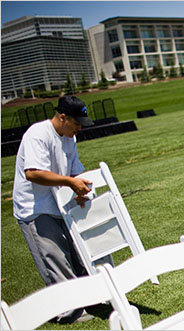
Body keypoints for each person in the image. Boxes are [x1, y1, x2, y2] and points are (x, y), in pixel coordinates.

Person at [12, 95, 95, 323]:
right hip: (35, 207)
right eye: (76, 123)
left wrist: (79, 188)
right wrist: (70, 183)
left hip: (59, 203)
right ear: (62, 117)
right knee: (55, 257)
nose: (79, 128)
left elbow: (74, 170)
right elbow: (33, 173)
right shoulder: (37, 134)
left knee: (77, 253)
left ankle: (90, 298)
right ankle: (68, 312)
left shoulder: (70, 138)